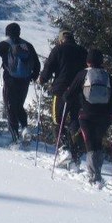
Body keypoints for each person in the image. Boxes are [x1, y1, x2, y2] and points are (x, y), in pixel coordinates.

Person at [64, 48, 112, 184]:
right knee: (97, 141)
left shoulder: (83, 74)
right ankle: (96, 172)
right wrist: (111, 114)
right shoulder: (108, 76)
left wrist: (66, 95)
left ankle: (94, 175)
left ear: (88, 61)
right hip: (105, 116)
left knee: (89, 143)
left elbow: (69, 95)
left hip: (86, 114)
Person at [0, 22, 41, 143]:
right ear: (19, 32)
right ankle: (25, 129)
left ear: (7, 33)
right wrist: (33, 77)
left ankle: (15, 137)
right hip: (24, 80)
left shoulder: (5, 44)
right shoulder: (28, 45)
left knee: (10, 107)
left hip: (10, 80)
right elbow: (37, 64)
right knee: (19, 106)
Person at [38, 30, 88, 166]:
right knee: (75, 121)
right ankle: (76, 153)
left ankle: (64, 149)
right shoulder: (82, 51)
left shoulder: (58, 49)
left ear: (61, 40)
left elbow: (48, 67)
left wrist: (42, 79)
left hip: (61, 91)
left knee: (57, 121)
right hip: (78, 92)